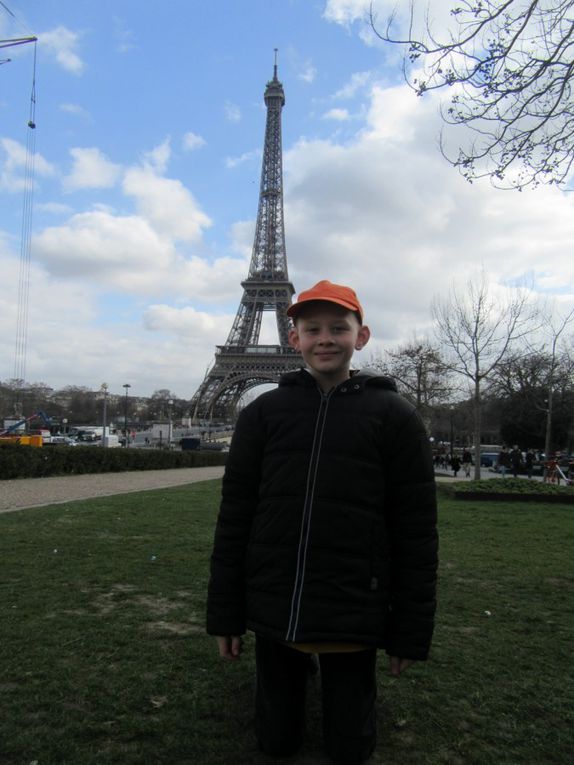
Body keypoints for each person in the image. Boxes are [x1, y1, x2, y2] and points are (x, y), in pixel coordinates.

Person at [206, 280, 439, 765]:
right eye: (312, 328)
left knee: (350, 745)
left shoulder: (395, 416)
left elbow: (415, 530)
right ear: (294, 339)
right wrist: (225, 614)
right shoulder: (263, 414)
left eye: (339, 327)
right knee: (276, 742)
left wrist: (410, 631)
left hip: (354, 601)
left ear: (363, 335)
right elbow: (235, 518)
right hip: (275, 600)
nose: (325, 338)